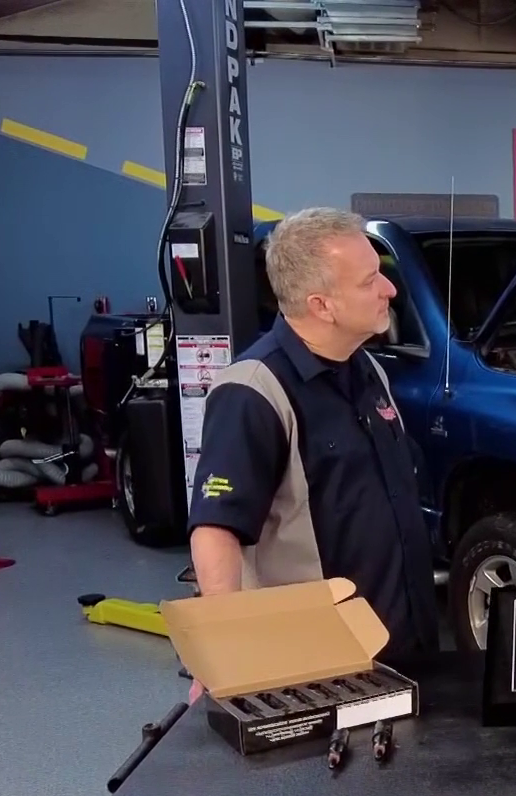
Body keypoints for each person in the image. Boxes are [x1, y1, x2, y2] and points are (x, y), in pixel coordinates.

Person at [185, 207, 439, 655]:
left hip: (404, 644)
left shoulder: (368, 370)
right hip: (321, 656)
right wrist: (224, 651)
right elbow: (216, 529)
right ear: (321, 305)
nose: (390, 289)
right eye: (369, 281)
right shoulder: (253, 390)